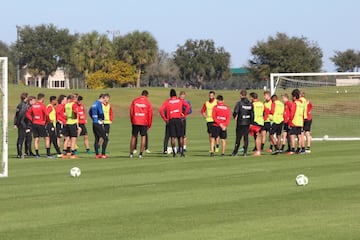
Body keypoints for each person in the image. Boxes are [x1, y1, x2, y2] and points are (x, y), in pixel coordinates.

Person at [159, 89, 190, 157]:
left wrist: (165, 119)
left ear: (170, 95)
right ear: (176, 94)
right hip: (179, 119)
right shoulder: (180, 100)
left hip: (171, 120)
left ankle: (174, 152)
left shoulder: (167, 101)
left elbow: (161, 110)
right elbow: (188, 106)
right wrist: (184, 115)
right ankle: (182, 152)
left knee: (173, 137)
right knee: (180, 137)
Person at [129, 90, 153, 158]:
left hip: (135, 121)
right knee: (143, 137)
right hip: (143, 121)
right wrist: (149, 124)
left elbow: (131, 112)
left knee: (134, 136)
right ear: (147, 95)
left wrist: (132, 120)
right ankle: (140, 154)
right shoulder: (148, 103)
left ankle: (131, 153)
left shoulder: (135, 101)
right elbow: (150, 114)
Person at [25, 93, 49, 158]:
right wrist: (46, 121)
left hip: (34, 123)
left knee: (36, 139)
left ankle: (37, 154)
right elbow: (47, 114)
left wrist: (32, 119)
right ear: (42, 98)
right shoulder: (42, 106)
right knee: (46, 138)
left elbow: (27, 114)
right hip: (41, 123)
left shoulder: (33, 106)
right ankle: (48, 154)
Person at [231, 90, 252, 156]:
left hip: (240, 122)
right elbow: (252, 113)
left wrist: (234, 116)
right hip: (247, 122)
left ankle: (235, 151)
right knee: (246, 138)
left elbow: (235, 112)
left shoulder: (239, 103)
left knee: (238, 138)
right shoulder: (250, 103)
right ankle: (245, 152)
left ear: (240, 95)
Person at [89, 94, 108, 159]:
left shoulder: (94, 103)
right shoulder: (99, 104)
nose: (105, 101)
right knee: (105, 138)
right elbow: (100, 112)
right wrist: (102, 118)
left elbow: (90, 112)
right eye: (104, 99)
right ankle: (103, 154)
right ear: (102, 98)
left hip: (94, 123)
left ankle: (97, 154)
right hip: (98, 123)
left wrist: (93, 118)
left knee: (96, 138)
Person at [287, 89, 305, 155]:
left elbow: (292, 113)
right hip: (300, 122)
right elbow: (302, 114)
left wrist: (290, 122)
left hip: (294, 121)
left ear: (294, 97)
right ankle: (299, 149)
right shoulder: (301, 103)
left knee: (292, 135)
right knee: (299, 135)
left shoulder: (295, 103)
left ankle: (292, 149)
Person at [249, 92, 266, 156]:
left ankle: (258, 151)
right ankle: (258, 150)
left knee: (256, 137)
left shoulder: (253, 104)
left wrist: (250, 122)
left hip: (255, 121)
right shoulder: (261, 104)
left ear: (252, 97)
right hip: (261, 121)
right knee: (258, 136)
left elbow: (251, 114)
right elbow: (264, 113)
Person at [63, 94, 79, 159]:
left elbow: (65, 113)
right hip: (73, 122)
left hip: (67, 121)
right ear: (72, 99)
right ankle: (72, 153)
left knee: (67, 138)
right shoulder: (73, 104)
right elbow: (75, 111)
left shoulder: (66, 105)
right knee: (73, 138)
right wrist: (75, 116)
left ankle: (64, 152)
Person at [14, 92, 29, 158]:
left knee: (22, 138)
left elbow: (16, 115)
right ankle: (19, 154)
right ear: (25, 98)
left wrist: (16, 123)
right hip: (22, 124)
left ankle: (21, 153)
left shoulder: (21, 105)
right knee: (21, 138)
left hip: (22, 123)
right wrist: (18, 123)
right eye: (27, 97)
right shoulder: (23, 105)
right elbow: (19, 115)